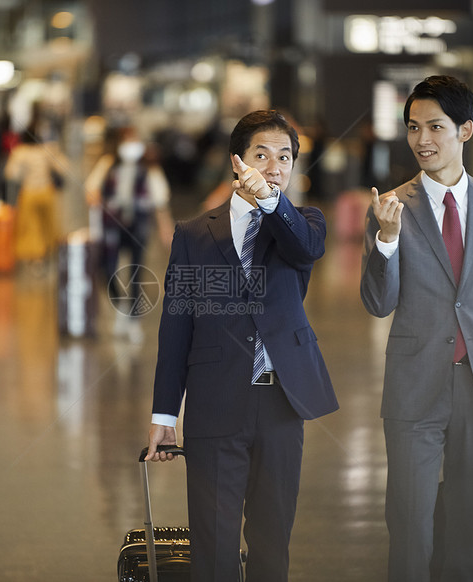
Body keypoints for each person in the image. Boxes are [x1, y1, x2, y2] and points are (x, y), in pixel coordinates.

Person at [145, 110, 339, 581]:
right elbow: (176, 328)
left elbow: (305, 250)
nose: (274, 167)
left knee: (273, 541)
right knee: (213, 544)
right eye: (262, 155)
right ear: (237, 161)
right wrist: (165, 416)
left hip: (281, 401)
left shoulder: (303, 223)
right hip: (216, 400)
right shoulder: (193, 234)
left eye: (285, 157)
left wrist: (273, 204)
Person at [359, 75, 473, 582]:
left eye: (436, 127)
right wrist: (387, 242)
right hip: (414, 389)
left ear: (466, 131)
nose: (423, 140)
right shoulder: (390, 207)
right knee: (410, 524)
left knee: (471, 526)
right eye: (414, 127)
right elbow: (377, 303)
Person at [85, 127, 174, 341]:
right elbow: (91, 189)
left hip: (138, 225)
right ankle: (120, 305)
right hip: (111, 226)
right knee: (107, 268)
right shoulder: (108, 164)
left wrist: (165, 227)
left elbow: (160, 200)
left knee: (135, 271)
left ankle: (133, 319)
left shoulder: (149, 169)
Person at [3, 123, 68, 271]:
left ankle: (35, 256)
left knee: (31, 225)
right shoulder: (46, 150)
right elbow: (63, 167)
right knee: (48, 223)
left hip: (29, 192)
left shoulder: (20, 152)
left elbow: (11, 173)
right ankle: (49, 250)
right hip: (47, 191)